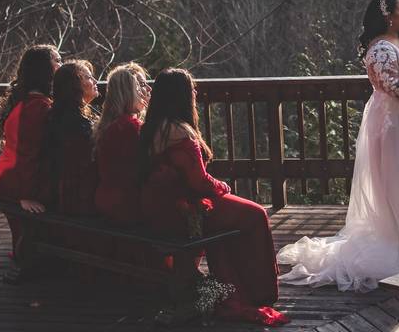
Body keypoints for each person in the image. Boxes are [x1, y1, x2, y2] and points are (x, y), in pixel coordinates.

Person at [277, 0, 399, 292]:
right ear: (388, 16)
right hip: (393, 125)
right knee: (398, 183)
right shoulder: (378, 49)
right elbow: (390, 86)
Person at [138, 68, 286, 325]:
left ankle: (236, 283)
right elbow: (199, 181)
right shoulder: (179, 131)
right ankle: (259, 289)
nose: (195, 93)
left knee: (237, 218)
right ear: (181, 95)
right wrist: (222, 187)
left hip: (166, 204)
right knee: (255, 214)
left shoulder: (154, 127)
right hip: (187, 207)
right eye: (191, 89)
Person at [0, 44, 62, 272]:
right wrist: (23, 196)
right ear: (45, 70)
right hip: (15, 183)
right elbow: (26, 157)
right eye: (57, 61)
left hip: (9, 178)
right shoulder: (36, 109)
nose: (61, 65)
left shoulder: (27, 103)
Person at [95, 63, 150, 225]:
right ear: (127, 94)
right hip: (127, 202)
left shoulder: (107, 124)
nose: (143, 93)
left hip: (106, 197)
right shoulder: (130, 127)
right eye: (138, 89)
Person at [45, 60, 99, 216]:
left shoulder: (58, 115)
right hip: (77, 201)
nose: (95, 81)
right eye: (89, 78)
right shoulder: (75, 124)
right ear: (75, 85)